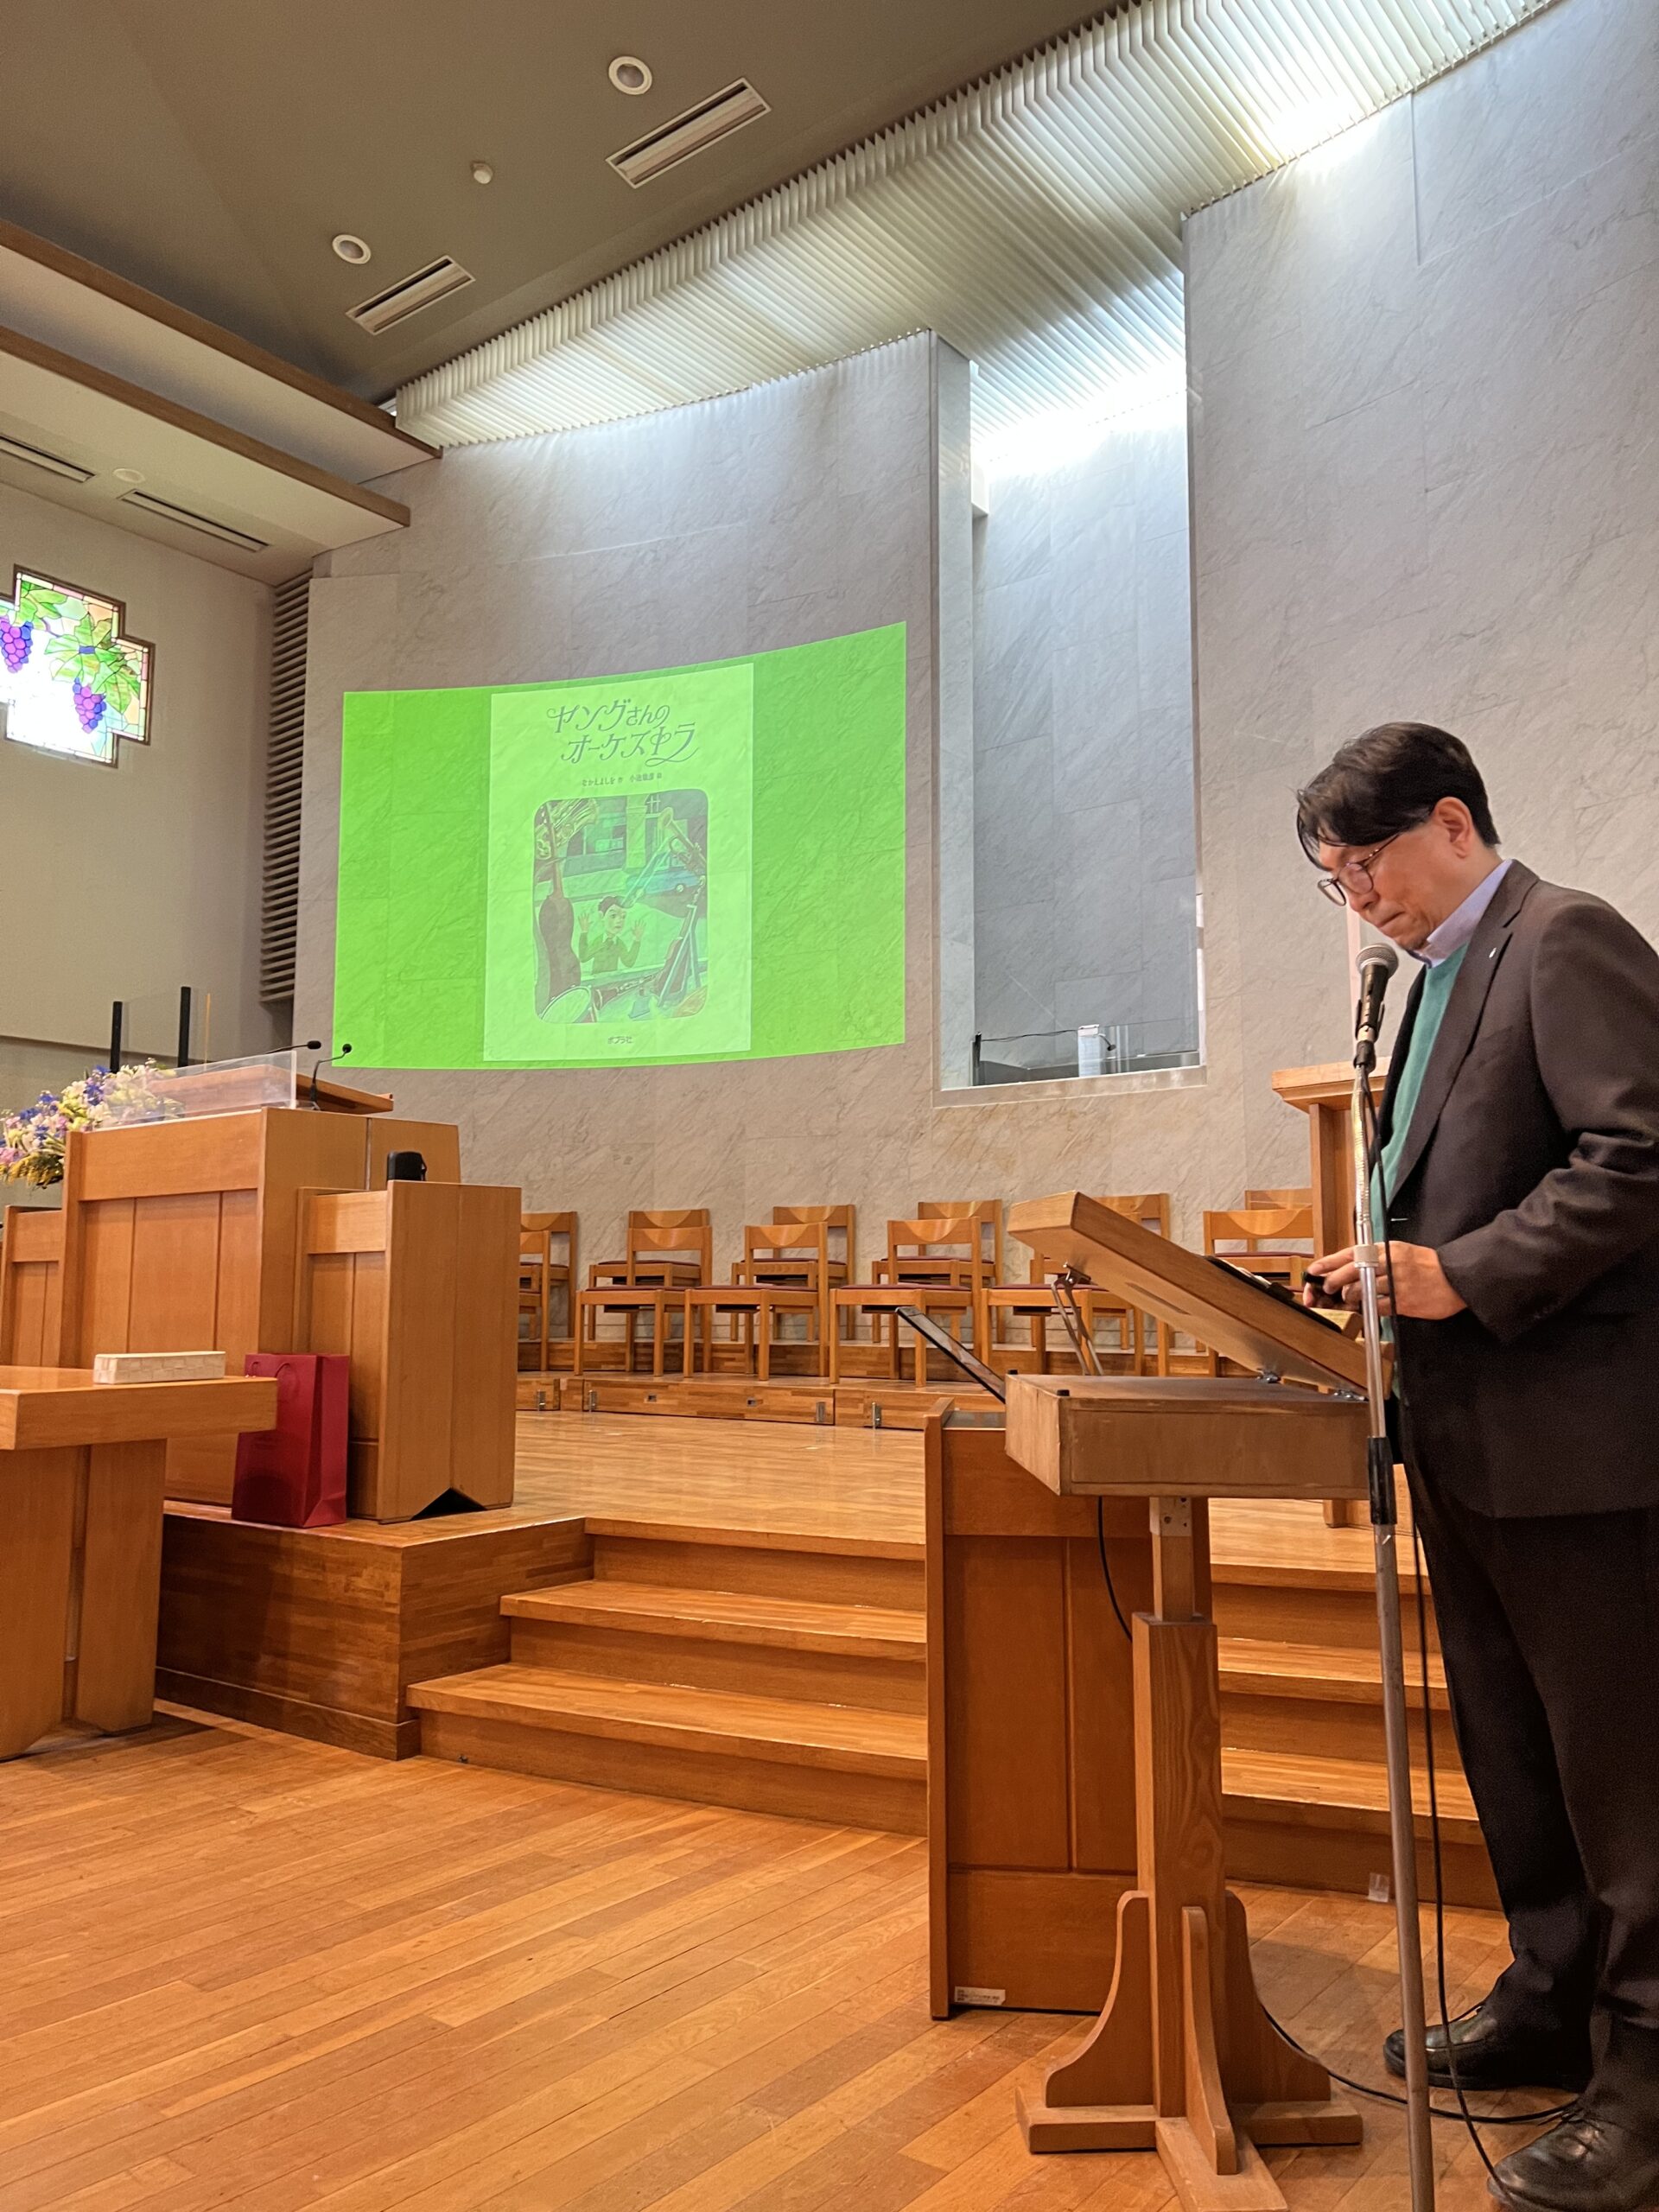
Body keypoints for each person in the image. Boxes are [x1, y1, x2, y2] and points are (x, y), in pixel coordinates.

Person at [1296, 723, 1659, 2212]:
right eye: (1336, 880)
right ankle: (1552, 1993)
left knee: (1625, 1777)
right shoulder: (1428, 980)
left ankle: (1649, 2082)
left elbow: (1639, 1155)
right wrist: (1376, 1268)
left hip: (1582, 1449)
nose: (1359, 898)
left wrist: (1462, 1272)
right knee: (1514, 1753)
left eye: (1368, 863)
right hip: (1467, 1440)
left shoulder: (1562, 937)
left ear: (1453, 821)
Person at [578, 895, 645, 976]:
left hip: (613, 981)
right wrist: (584, 932)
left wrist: (637, 940)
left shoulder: (619, 943)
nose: (619, 921)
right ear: (602, 916)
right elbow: (583, 958)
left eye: (623, 917)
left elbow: (628, 962)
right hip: (598, 980)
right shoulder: (598, 941)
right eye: (613, 916)